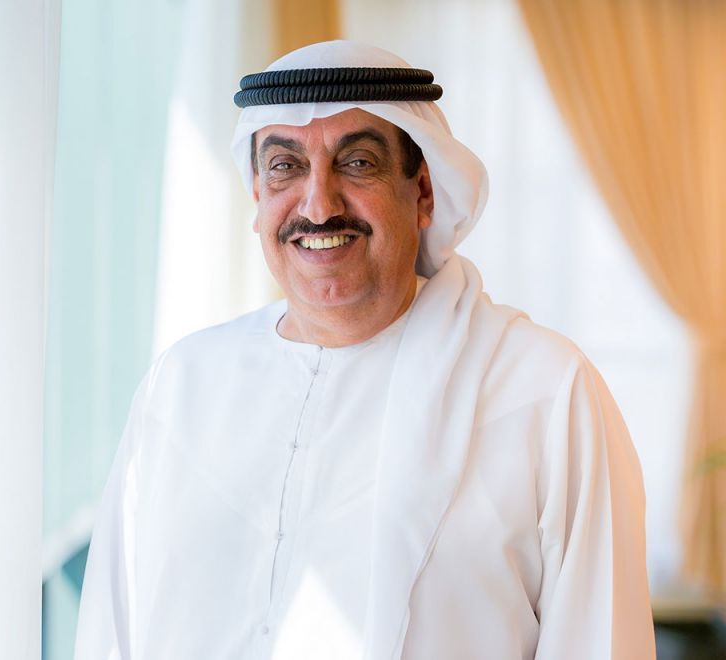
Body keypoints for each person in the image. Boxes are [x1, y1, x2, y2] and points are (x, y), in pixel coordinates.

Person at [74, 40, 655, 660]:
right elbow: (112, 630)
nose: (318, 206)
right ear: (258, 196)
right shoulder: (181, 384)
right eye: (285, 166)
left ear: (423, 192)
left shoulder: (545, 390)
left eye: (357, 163)